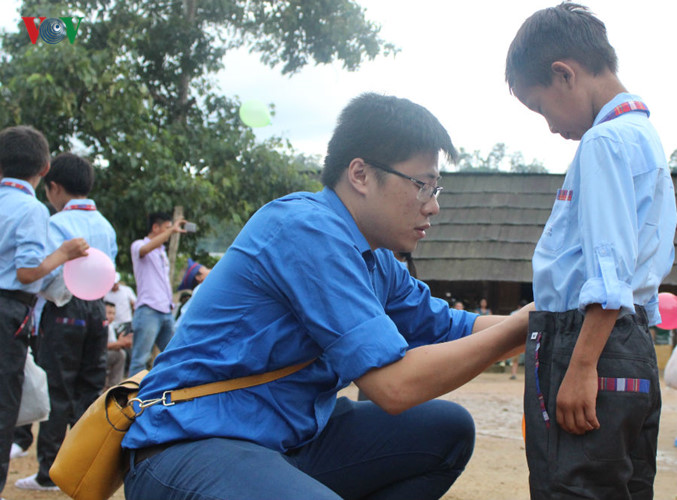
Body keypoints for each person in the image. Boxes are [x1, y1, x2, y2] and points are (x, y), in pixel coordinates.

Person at [121, 93, 533, 500]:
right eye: (423, 186)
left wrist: (544, 322)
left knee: (446, 431)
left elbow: (451, 327)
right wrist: (521, 327)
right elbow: (393, 387)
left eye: (436, 189)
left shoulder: (377, 258)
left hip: (284, 444)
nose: (433, 207)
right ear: (360, 175)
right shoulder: (307, 230)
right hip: (192, 444)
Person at [506, 3, 676, 498]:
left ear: (565, 74)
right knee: (624, 486)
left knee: (570, 485)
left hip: (587, 342)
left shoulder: (604, 142)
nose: (549, 125)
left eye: (541, 107)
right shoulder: (645, 138)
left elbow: (608, 267)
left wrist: (581, 366)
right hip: (632, 343)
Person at [15, 152, 118, 492]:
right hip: (97, 312)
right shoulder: (105, 225)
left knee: (57, 391)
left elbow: (45, 275)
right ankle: (84, 469)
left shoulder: (55, 223)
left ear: (54, 187)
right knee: (90, 391)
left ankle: (49, 474)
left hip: (64, 310)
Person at [0, 128, 89, 499]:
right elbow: (26, 272)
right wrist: (64, 254)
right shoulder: (32, 209)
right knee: (3, 406)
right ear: (44, 168)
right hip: (8, 309)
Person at [128, 212, 185, 376]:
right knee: (140, 359)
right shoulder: (139, 245)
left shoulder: (162, 252)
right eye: (167, 228)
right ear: (155, 227)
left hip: (165, 310)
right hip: (148, 309)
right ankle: (131, 392)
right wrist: (172, 230)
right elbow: (145, 249)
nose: (171, 231)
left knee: (174, 355)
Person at [104, 301, 132, 390]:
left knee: (121, 353)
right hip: (95, 357)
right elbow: (101, 346)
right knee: (120, 355)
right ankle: (112, 387)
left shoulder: (111, 326)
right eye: (109, 313)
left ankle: (113, 386)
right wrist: (120, 343)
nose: (111, 316)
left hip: (104, 356)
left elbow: (113, 344)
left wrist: (122, 343)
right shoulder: (100, 325)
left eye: (113, 313)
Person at [508, 299, 528, 380]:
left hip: (518, 339)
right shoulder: (529, 313)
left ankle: (514, 373)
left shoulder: (514, 314)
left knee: (515, 358)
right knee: (516, 358)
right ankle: (514, 373)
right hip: (525, 338)